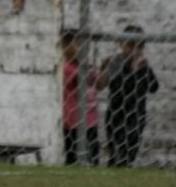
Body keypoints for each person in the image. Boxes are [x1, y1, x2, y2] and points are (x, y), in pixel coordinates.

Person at [96, 25, 159, 167]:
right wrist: (131, 71)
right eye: (130, 46)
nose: (135, 51)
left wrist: (145, 71)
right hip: (116, 114)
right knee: (116, 152)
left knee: (130, 152)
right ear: (121, 44)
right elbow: (114, 87)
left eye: (140, 47)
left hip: (137, 115)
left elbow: (154, 87)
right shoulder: (115, 62)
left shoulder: (143, 66)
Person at [60, 29, 101, 166]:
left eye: (82, 44)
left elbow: (99, 84)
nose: (81, 48)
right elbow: (79, 79)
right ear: (65, 48)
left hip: (91, 120)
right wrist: (87, 69)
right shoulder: (66, 68)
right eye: (77, 44)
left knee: (93, 155)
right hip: (73, 123)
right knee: (73, 157)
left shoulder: (87, 64)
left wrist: (106, 69)